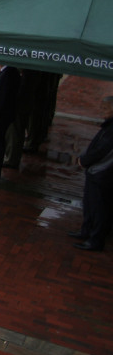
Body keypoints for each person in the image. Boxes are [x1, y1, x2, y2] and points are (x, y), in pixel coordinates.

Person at [70, 96, 113, 251]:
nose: (102, 111)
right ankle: (86, 231)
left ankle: (95, 239)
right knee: (89, 204)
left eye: (105, 108)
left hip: (101, 175)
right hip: (95, 173)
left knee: (99, 208)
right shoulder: (108, 126)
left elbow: (102, 150)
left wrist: (85, 160)